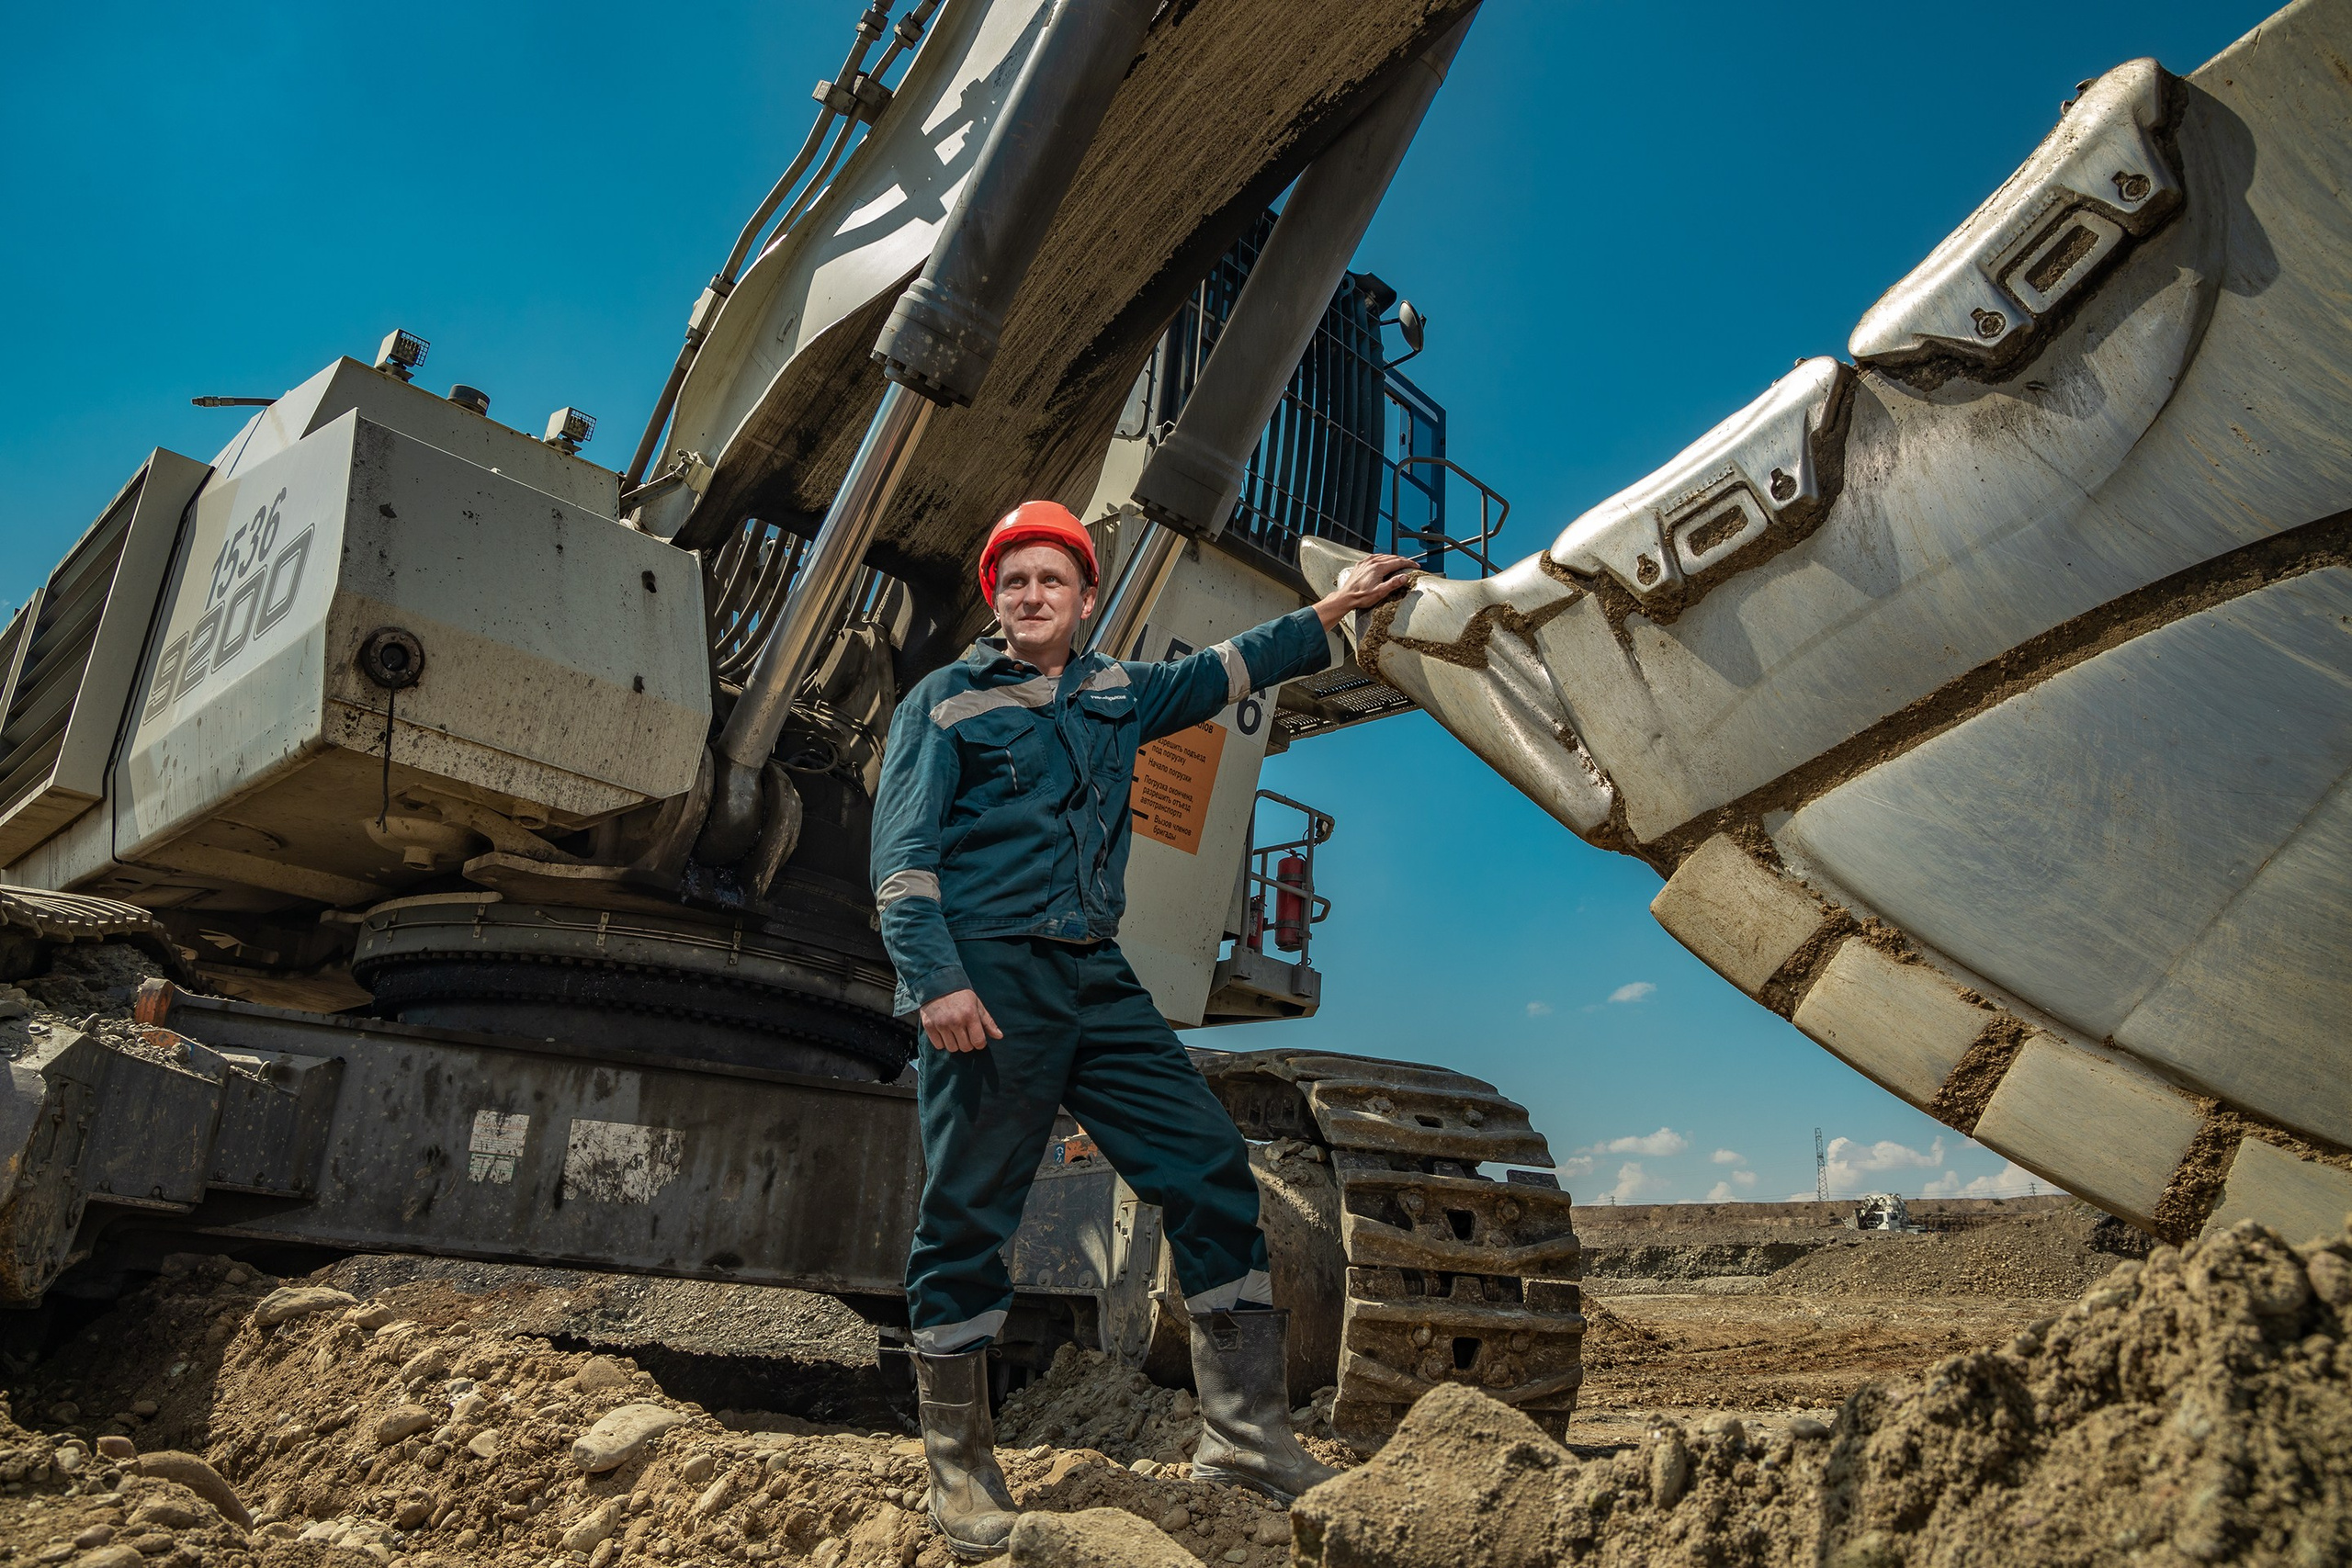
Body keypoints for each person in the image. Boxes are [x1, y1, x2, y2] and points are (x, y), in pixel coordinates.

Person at [871, 499, 1416, 1555]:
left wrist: (1337, 612)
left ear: (1084, 598)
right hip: (990, 976)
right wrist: (936, 983)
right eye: (1014, 582)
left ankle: (1246, 1435)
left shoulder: (1116, 693)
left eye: (1051, 581)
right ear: (998, 599)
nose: (1032, 597)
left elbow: (1229, 667)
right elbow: (903, 859)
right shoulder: (943, 704)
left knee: (1208, 1164)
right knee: (969, 1214)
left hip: (1095, 977)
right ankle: (960, 1469)